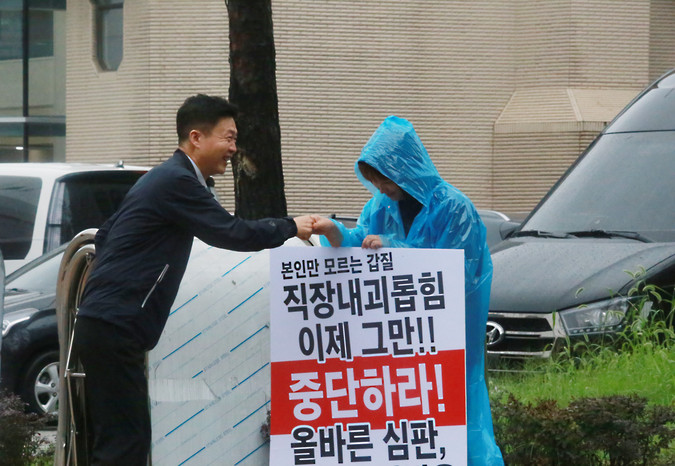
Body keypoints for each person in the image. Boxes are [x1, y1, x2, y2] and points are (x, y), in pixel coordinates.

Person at [73, 94, 313, 465]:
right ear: (196, 138)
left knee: (120, 440)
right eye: (228, 138)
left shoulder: (163, 177)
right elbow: (231, 233)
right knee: (124, 445)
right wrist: (290, 226)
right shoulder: (177, 181)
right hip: (116, 325)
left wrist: (120, 280)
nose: (233, 148)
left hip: (107, 323)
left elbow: (105, 236)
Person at [312, 115, 505, 465]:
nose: (381, 187)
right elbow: (361, 243)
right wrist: (335, 232)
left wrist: (393, 247)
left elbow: (455, 271)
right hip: (398, 336)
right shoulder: (380, 206)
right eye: (375, 180)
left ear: (404, 169)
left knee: (452, 401)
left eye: (384, 178)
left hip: (447, 333)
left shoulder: (453, 207)